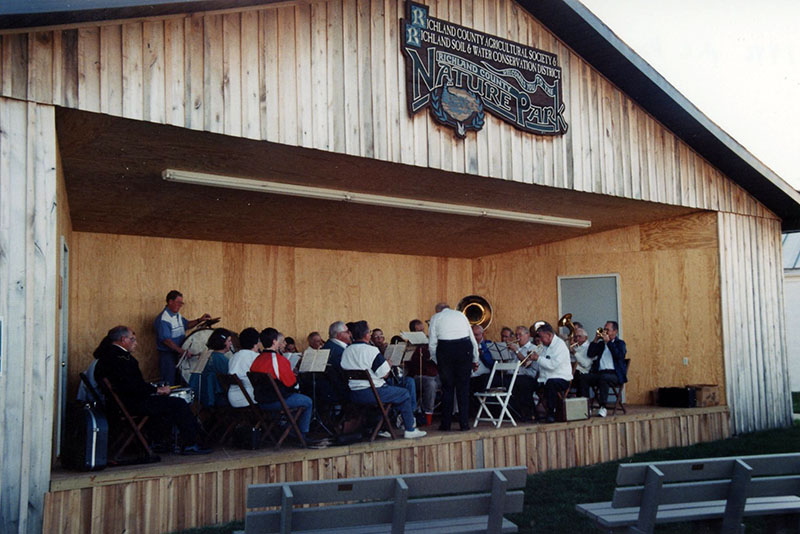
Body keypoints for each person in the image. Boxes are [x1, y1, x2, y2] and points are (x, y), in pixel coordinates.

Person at [93, 325, 210, 454]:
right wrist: (157, 390)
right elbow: (133, 386)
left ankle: (158, 441)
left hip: (118, 404)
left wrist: (153, 389)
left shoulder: (105, 357)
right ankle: (191, 443)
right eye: (133, 340)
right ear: (123, 339)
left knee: (165, 403)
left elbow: (130, 385)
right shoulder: (123, 359)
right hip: (132, 404)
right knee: (178, 404)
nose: (136, 344)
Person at [341, 321, 426, 439]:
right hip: (373, 393)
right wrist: (388, 364)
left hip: (355, 394)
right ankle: (410, 429)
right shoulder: (371, 350)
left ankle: (384, 425)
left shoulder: (347, 351)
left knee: (395, 393)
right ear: (366, 335)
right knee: (404, 393)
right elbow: (385, 374)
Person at [250, 328, 314, 441]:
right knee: (308, 401)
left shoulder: (257, 359)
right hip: (276, 401)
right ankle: (301, 434)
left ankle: (287, 429)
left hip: (261, 401)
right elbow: (291, 384)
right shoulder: (279, 360)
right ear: (274, 341)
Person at [428, 303, 479, 431]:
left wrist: (436, 360)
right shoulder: (461, 315)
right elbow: (472, 339)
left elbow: (432, 343)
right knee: (463, 388)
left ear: (438, 310)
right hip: (464, 347)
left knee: (447, 388)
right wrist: (475, 359)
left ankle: (446, 424)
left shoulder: (436, 317)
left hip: (446, 349)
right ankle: (464, 424)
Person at [154, 290, 211, 385]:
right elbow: (166, 340)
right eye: (178, 302)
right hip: (168, 355)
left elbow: (186, 325)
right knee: (169, 382)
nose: (180, 305)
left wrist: (200, 320)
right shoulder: (164, 319)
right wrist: (182, 351)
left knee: (178, 381)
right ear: (170, 302)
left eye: (181, 303)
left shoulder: (177, 315)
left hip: (178, 353)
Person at [580, 321, 628, 417]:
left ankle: (603, 407)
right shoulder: (602, 345)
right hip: (600, 373)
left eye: (607, 330)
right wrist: (596, 339)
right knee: (583, 377)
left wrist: (609, 343)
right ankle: (586, 406)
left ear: (615, 331)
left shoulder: (620, 343)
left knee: (604, 378)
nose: (605, 331)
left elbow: (619, 355)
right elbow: (590, 354)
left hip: (614, 374)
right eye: (604, 329)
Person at [528, 323, 573, 423]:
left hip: (562, 378)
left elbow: (552, 365)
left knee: (551, 384)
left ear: (549, 335)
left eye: (542, 337)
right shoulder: (544, 346)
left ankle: (551, 413)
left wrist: (538, 358)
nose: (541, 340)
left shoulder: (560, 346)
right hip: (545, 378)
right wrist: (532, 356)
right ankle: (530, 412)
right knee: (527, 383)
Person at [404, 319, 438, 425]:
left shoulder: (429, 341)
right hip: (419, 376)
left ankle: (454, 412)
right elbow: (409, 363)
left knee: (453, 379)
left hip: (434, 373)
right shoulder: (410, 345)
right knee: (431, 384)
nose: (422, 331)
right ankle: (428, 414)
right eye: (419, 330)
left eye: (423, 329)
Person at [188, 328, 230, 407]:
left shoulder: (206, 356)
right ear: (223, 343)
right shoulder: (221, 360)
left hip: (203, 395)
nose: (231, 343)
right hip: (218, 397)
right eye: (229, 341)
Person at [507, 326, 538, 422]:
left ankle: (528, 414)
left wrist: (516, 351)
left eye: (520, 334)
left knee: (521, 383)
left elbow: (526, 364)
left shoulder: (533, 348)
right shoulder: (514, 348)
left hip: (527, 377)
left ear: (527, 335)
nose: (518, 337)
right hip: (512, 376)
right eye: (516, 335)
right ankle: (509, 414)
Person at [227, 327, 261, 407]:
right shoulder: (256, 357)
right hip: (248, 397)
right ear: (256, 343)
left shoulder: (233, 357)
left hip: (232, 397)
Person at [570, 327, 592, 394]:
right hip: (573, 372)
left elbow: (586, 364)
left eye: (579, 336)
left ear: (585, 338)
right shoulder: (576, 346)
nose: (577, 339)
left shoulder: (589, 347)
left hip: (583, 373)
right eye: (575, 337)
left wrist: (575, 353)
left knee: (581, 379)